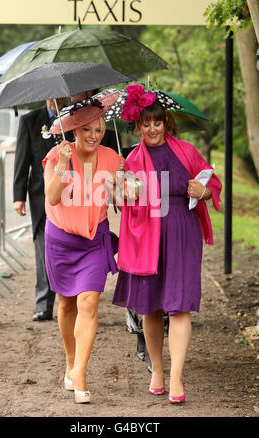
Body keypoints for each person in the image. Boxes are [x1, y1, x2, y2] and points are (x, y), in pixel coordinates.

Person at [112, 84, 222, 404]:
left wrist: (199, 191)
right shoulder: (131, 159)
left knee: (180, 305)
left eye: (157, 122)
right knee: (151, 306)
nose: (152, 128)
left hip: (182, 233)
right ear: (137, 126)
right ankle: (157, 369)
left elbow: (211, 183)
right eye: (145, 123)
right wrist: (124, 187)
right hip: (147, 237)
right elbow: (119, 198)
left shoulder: (186, 151)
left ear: (166, 123)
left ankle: (176, 378)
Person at [42, 92, 123, 403]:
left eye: (99, 129)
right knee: (66, 305)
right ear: (74, 130)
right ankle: (69, 360)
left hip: (93, 240)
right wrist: (63, 163)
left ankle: (80, 374)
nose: (93, 135)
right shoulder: (57, 155)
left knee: (88, 303)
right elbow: (51, 197)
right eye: (87, 129)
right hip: (61, 239)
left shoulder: (112, 157)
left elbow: (120, 197)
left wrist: (125, 184)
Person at [13, 97, 70, 321]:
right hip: (39, 196)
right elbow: (22, 160)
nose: (58, 100)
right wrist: (18, 197)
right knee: (42, 250)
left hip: (68, 196)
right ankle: (43, 305)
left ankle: (69, 300)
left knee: (67, 251)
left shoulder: (73, 119)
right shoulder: (29, 121)